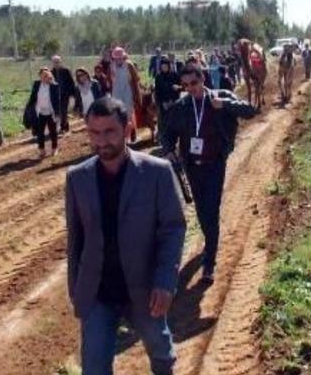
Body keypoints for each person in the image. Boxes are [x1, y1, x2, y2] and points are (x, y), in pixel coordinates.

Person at [66, 97, 186, 375]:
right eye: (94, 133)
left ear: (127, 127)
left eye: (109, 131)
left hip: (145, 289)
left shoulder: (157, 172)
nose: (101, 141)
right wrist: (76, 288)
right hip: (98, 292)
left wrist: (165, 281)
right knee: (94, 367)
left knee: (161, 355)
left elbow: (173, 228)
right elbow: (76, 240)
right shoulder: (77, 178)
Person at [161, 66, 255, 283]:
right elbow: (167, 133)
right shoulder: (181, 107)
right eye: (185, 85)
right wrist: (168, 150)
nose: (190, 89)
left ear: (202, 79)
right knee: (202, 211)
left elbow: (249, 110)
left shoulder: (220, 98)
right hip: (192, 166)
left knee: (211, 210)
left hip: (214, 165)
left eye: (193, 83)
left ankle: (209, 263)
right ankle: (209, 241)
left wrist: (225, 105)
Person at [109, 46, 142, 143]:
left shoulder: (129, 65)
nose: (119, 60)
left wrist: (137, 95)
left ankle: (132, 132)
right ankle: (121, 136)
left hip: (128, 92)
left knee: (128, 114)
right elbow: (110, 81)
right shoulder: (111, 66)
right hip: (116, 94)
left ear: (124, 57)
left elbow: (136, 80)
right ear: (114, 58)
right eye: (116, 58)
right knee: (118, 115)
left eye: (120, 58)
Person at [26, 67, 61, 158]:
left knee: (53, 131)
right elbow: (33, 96)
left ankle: (54, 148)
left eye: (46, 76)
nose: (44, 78)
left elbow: (57, 101)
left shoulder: (54, 85)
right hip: (40, 112)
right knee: (40, 132)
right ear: (40, 76)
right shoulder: (37, 84)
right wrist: (29, 106)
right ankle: (42, 151)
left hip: (51, 112)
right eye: (43, 76)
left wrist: (57, 113)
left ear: (50, 76)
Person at [154, 58, 181, 141]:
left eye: (166, 66)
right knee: (163, 122)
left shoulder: (174, 75)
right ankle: (164, 138)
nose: (164, 68)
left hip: (174, 102)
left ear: (169, 66)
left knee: (173, 121)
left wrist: (178, 89)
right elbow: (157, 91)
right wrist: (161, 102)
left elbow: (180, 87)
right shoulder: (158, 77)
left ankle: (174, 138)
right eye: (163, 66)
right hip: (163, 103)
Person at [51, 55, 77, 133]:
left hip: (64, 94)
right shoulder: (51, 72)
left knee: (63, 111)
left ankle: (63, 127)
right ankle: (63, 126)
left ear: (60, 62)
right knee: (57, 112)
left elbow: (71, 82)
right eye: (55, 62)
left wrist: (72, 94)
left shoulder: (66, 70)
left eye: (57, 62)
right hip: (55, 96)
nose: (56, 64)